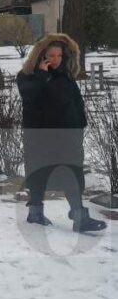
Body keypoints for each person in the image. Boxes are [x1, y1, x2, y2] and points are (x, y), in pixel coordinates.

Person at [16, 34, 107, 233]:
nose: (55, 59)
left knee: (72, 173)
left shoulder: (65, 77)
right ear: (40, 55)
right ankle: (35, 213)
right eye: (50, 55)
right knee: (40, 172)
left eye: (59, 55)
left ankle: (79, 216)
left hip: (68, 136)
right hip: (41, 137)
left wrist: (79, 126)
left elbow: (75, 104)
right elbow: (29, 97)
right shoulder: (26, 76)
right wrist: (41, 74)